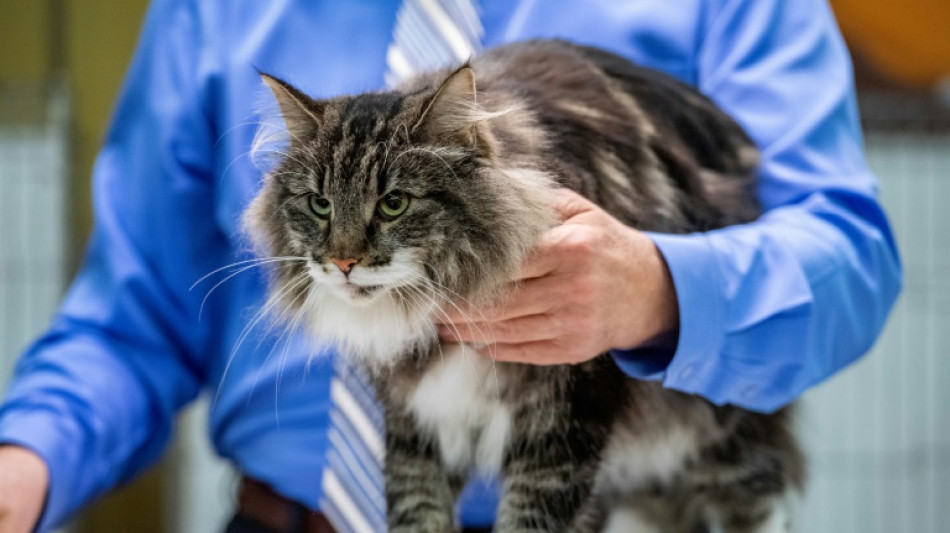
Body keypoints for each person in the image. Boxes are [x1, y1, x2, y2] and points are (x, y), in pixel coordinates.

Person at [0, 1, 902, 532]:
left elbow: (851, 260)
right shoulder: (210, 10)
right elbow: (133, 318)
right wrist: (24, 458)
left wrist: (659, 289)